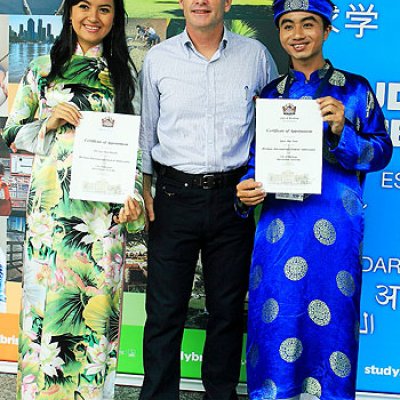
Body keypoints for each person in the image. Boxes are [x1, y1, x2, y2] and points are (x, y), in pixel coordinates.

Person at [236, 1, 393, 399]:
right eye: (288, 25)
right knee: (275, 326)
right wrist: (245, 192)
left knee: (332, 331)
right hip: (279, 231)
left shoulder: (354, 89)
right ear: (280, 33)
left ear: (326, 30)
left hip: (335, 232)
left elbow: (382, 152)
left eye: (309, 24)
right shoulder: (271, 96)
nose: (298, 33)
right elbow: (256, 163)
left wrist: (342, 129)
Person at [2, 0, 144, 398]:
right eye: (84, 5)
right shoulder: (42, 69)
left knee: (95, 314)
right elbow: (12, 134)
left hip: (101, 220)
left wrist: (133, 196)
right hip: (51, 215)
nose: (92, 17)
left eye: (104, 8)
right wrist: (48, 119)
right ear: (69, 13)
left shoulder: (123, 75)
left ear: (115, 17)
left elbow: (135, 146)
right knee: (45, 311)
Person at [139, 0, 278, 398]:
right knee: (165, 312)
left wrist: (260, 178)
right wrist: (144, 188)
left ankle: (221, 393)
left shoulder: (255, 57)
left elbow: (271, 125)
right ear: (182, 2)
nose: (201, 1)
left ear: (227, 3)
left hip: (233, 199)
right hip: (171, 197)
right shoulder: (158, 59)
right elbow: (148, 130)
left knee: (227, 310)